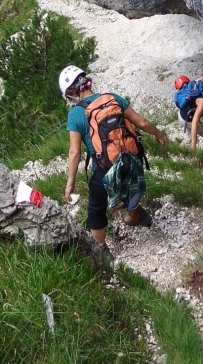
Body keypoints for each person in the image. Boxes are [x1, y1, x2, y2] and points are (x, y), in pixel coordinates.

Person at [60, 65, 169, 248]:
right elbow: (141, 122)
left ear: (72, 92)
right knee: (129, 186)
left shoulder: (75, 114)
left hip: (105, 168)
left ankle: (102, 250)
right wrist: (159, 135)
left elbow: (75, 152)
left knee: (96, 210)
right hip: (130, 158)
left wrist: (70, 183)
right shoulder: (112, 98)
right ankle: (136, 214)